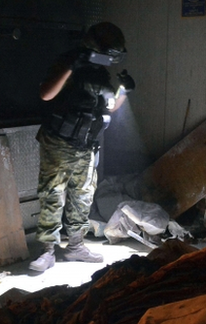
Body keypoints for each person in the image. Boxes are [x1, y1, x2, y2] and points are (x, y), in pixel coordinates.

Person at [29, 22, 136, 272]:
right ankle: (47, 252)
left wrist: (124, 90)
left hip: (86, 146)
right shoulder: (68, 62)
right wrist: (70, 66)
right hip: (58, 143)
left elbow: (109, 107)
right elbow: (46, 94)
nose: (109, 60)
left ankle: (75, 246)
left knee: (83, 197)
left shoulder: (99, 73)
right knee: (52, 196)